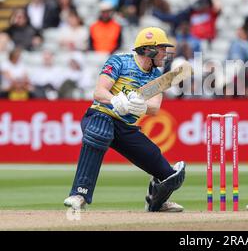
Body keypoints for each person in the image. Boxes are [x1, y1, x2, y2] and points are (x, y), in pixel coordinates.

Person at [64, 27, 186, 212]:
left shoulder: (155, 76)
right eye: (161, 48)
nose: (164, 53)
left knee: (170, 175)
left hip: (126, 127)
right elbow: (99, 92)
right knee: (100, 131)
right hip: (100, 116)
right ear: (149, 49)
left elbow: (154, 108)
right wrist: (115, 100)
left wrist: (140, 106)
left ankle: (156, 201)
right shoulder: (120, 61)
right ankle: (79, 194)